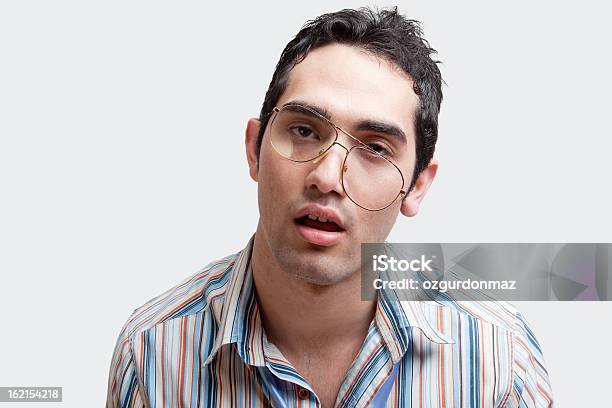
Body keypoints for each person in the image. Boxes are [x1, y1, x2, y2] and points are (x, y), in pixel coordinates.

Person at [106, 7, 553, 407]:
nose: (326, 177)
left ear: (417, 186)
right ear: (254, 149)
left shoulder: (498, 358)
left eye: (375, 148)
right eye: (304, 131)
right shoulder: (152, 353)